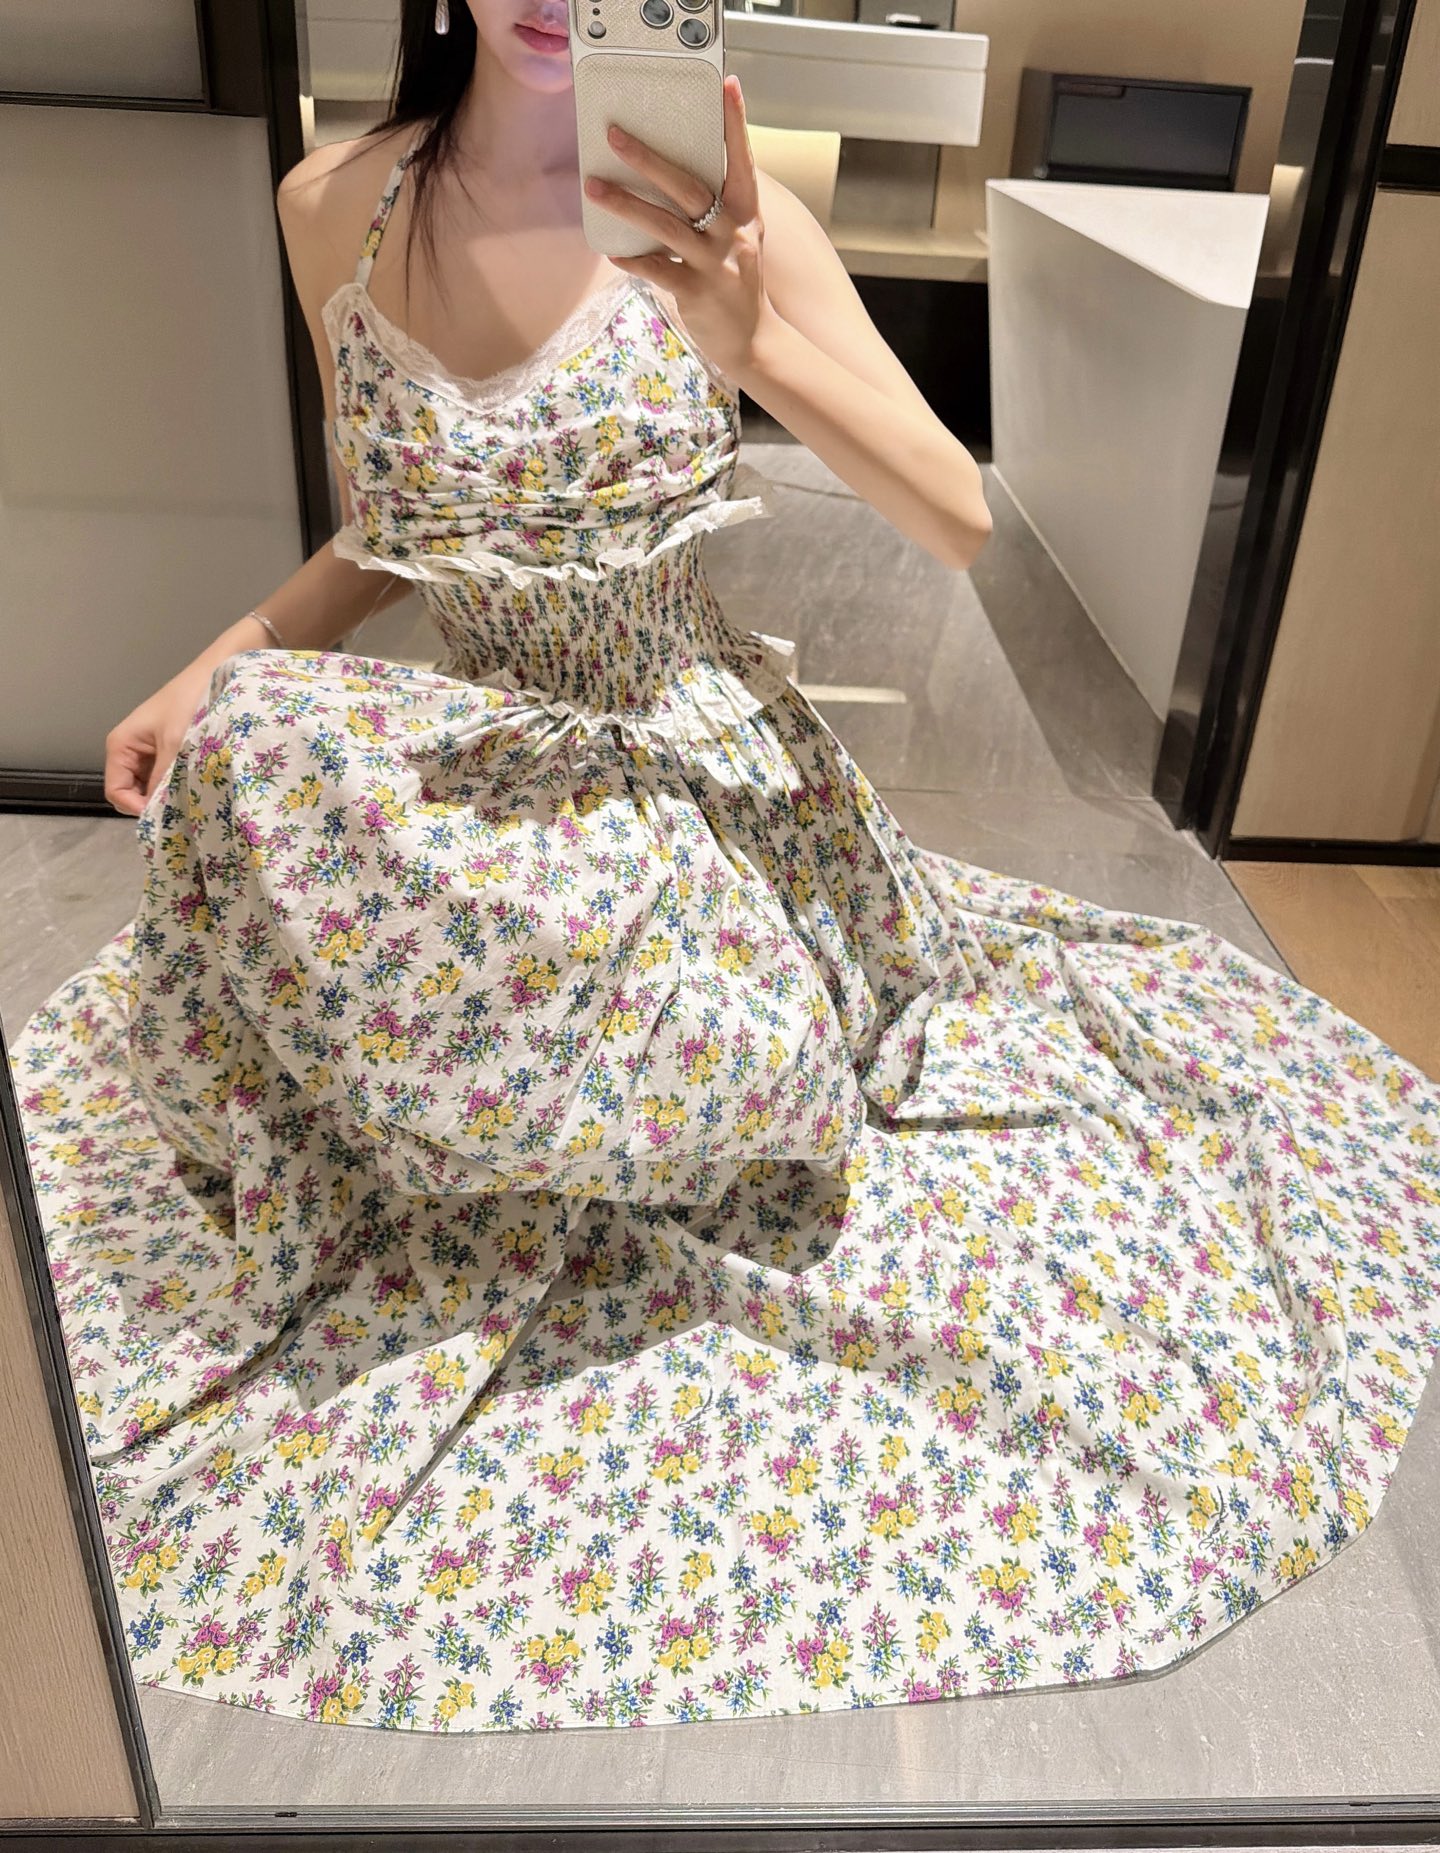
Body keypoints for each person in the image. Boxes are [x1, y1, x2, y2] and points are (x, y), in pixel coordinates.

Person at [10, 0, 1440, 1739]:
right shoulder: (335, 206)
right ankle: (517, 1095)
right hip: (491, 775)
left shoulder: (728, 209)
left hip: (694, 779)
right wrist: (219, 659)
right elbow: (395, 528)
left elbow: (957, 515)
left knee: (529, 973)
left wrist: (751, 338)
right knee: (266, 748)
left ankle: (652, 1083)